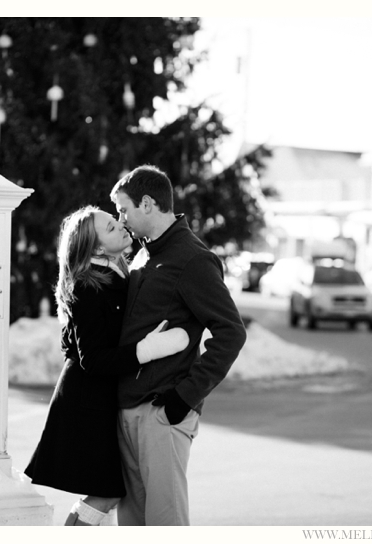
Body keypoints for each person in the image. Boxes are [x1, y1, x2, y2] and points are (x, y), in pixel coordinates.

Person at [24, 206, 189, 526]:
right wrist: (146, 349)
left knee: (111, 490)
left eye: (116, 221)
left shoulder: (118, 270)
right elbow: (93, 357)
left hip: (103, 396)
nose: (122, 227)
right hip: (86, 401)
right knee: (107, 491)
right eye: (111, 228)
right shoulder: (88, 284)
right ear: (97, 247)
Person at [110, 165, 247, 526]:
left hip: (162, 413)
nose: (120, 220)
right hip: (127, 409)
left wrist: (184, 398)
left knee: (165, 524)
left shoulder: (193, 259)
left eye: (124, 210)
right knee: (132, 526)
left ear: (148, 204)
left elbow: (231, 332)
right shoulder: (141, 254)